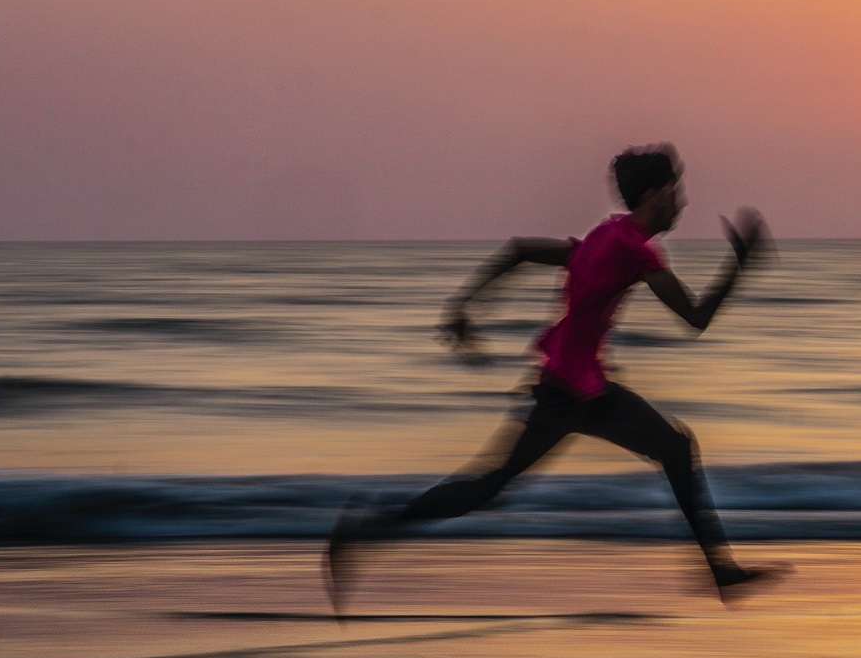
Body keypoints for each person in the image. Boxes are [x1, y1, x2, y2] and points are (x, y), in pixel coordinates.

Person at [324, 144, 787, 613]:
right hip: (569, 392)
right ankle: (366, 530)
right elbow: (696, 318)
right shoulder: (634, 249)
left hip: (582, 387)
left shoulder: (608, 235)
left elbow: (520, 251)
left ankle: (721, 572)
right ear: (653, 194)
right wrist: (739, 266)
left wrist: (464, 305)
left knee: (670, 447)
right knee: (492, 484)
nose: (683, 202)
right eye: (676, 190)